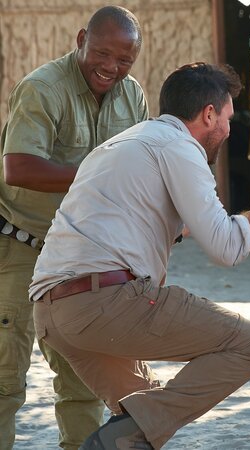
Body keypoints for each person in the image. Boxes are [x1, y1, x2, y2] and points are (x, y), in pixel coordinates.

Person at [29, 63, 250, 449]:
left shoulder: (127, 143)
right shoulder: (180, 147)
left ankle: (124, 435)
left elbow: (171, 223)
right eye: (228, 117)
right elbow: (228, 247)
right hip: (105, 303)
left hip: (53, 314)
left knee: (141, 413)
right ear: (208, 114)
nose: (230, 129)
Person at [0, 7, 146, 449]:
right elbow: (18, 168)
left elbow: (141, 166)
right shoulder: (42, 89)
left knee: (82, 381)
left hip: (86, 257)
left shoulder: (132, 95)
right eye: (101, 53)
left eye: (124, 61)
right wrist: (97, 171)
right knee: (5, 381)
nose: (111, 68)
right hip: (24, 247)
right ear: (81, 38)